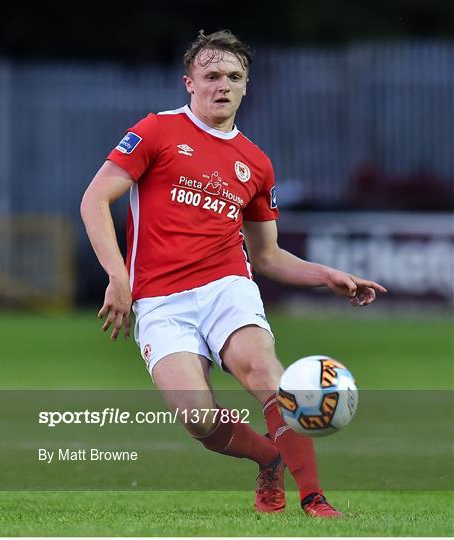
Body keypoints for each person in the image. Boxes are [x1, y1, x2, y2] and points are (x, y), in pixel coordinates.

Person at [80, 29, 387, 518]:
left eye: (234, 76)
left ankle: (314, 497)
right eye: (212, 75)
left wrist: (325, 274)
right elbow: (95, 200)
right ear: (190, 83)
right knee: (198, 420)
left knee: (265, 371)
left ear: (246, 85)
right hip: (160, 300)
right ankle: (269, 458)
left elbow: (267, 255)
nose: (222, 84)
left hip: (227, 286)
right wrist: (118, 277)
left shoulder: (257, 163)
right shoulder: (157, 131)